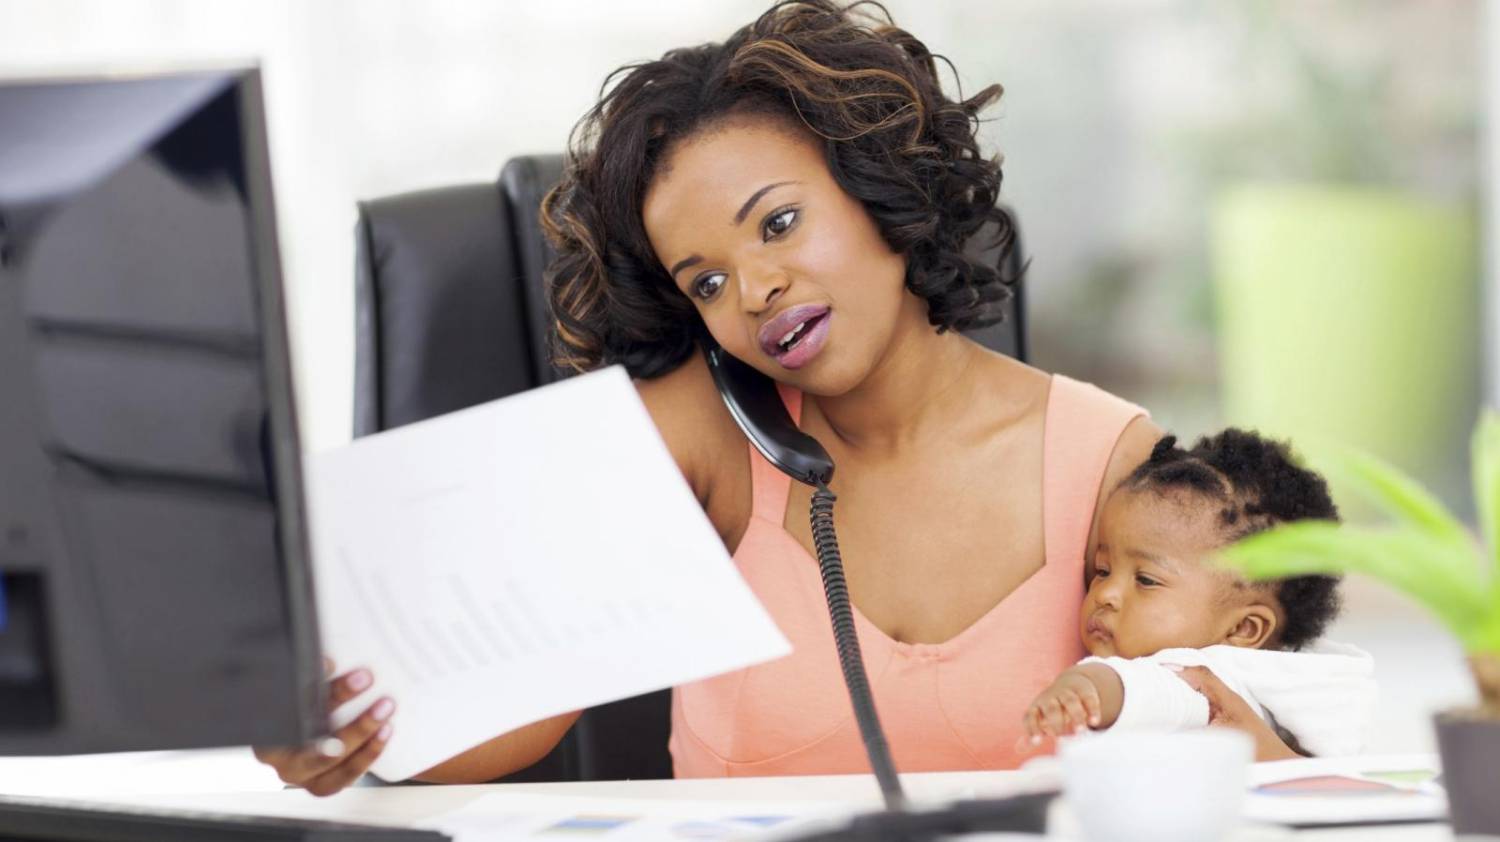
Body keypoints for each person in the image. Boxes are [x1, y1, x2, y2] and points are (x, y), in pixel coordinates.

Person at [256, 0, 1298, 795]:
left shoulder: (1111, 463)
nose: (754, 289)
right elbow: (502, 698)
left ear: (879, 187)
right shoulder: (698, 434)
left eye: (779, 223)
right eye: (704, 279)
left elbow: (1248, 722)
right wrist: (360, 736)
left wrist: (1254, 755)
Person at [1020, 430, 1376, 758]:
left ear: (1243, 629)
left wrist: (1083, 687)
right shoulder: (1310, 689)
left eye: (1145, 579)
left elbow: (1143, 690)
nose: (1106, 594)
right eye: (1102, 570)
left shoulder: (1197, 678)